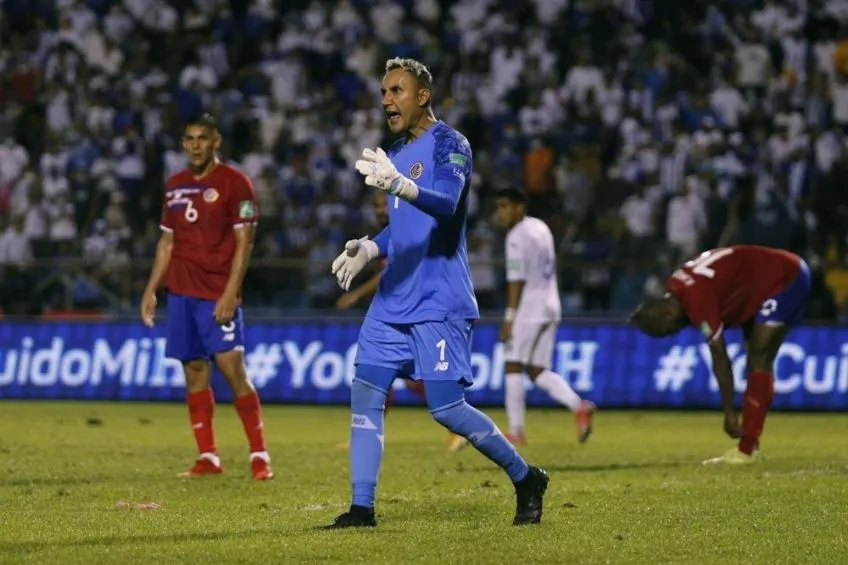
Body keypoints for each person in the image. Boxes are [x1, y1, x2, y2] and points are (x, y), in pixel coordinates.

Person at [326, 58, 549, 528]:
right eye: (384, 91)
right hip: (391, 300)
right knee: (366, 394)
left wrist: (402, 185)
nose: (387, 98)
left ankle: (526, 477)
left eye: (397, 90)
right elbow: (402, 225)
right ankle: (361, 508)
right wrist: (369, 246)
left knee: (446, 409)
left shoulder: (452, 143)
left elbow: (446, 205)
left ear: (422, 95)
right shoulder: (395, 152)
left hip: (438, 300)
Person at [140, 114, 273, 481]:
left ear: (217, 142)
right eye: (189, 138)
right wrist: (152, 289)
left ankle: (259, 454)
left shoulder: (236, 183)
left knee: (232, 369)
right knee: (194, 370)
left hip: (217, 292)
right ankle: (208, 457)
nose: (195, 145)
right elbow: (167, 242)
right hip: (181, 292)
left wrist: (231, 292)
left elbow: (245, 243)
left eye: (202, 138)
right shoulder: (175, 186)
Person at [629, 245, 811, 465]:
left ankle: (747, 449)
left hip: (785, 277)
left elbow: (720, 359)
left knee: (759, 358)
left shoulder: (696, 300)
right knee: (757, 358)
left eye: (670, 330)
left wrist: (729, 413)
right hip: (760, 283)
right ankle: (749, 447)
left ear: (668, 313)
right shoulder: (678, 287)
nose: (676, 332)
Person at [450, 188, 595, 451]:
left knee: (513, 365)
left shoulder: (516, 236)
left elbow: (517, 280)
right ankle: (579, 406)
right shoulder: (541, 227)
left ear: (519, 207)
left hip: (530, 307)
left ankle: (516, 431)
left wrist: (509, 317)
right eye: (498, 207)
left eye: (505, 206)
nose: (500, 213)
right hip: (551, 304)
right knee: (538, 371)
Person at [335, 191, 426, 450]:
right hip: (397, 311)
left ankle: (459, 422)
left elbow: (388, 273)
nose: (379, 210)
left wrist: (355, 295)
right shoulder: (386, 231)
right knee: (385, 375)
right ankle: (367, 435)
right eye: (375, 205)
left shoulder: (402, 229)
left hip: (411, 312)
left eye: (383, 205)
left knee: (389, 374)